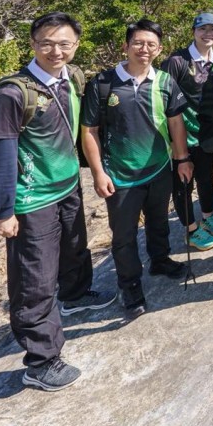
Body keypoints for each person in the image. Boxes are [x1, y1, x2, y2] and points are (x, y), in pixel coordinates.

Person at [0, 11, 115, 391]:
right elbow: (0, 153)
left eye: (64, 44)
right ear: (33, 44)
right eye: (47, 43)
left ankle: (75, 294)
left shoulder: (71, 79)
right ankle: (41, 362)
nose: (56, 51)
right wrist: (3, 210)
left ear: (76, 45)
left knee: (74, 247)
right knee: (34, 279)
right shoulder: (13, 94)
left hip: (67, 185)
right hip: (32, 198)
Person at [82, 19, 191, 317]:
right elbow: (89, 130)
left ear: (159, 49)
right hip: (120, 174)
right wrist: (98, 173)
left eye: (151, 44)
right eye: (138, 43)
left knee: (159, 219)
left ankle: (160, 260)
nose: (144, 49)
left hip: (158, 167)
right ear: (126, 46)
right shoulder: (103, 83)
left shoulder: (164, 81)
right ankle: (129, 284)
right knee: (124, 235)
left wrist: (182, 159)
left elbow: (176, 122)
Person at [160, 13, 213, 252]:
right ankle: (190, 230)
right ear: (193, 31)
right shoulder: (177, 61)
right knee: (183, 184)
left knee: (206, 178)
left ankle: (207, 217)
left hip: (207, 133)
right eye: (203, 29)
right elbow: (163, 99)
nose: (208, 34)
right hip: (182, 135)